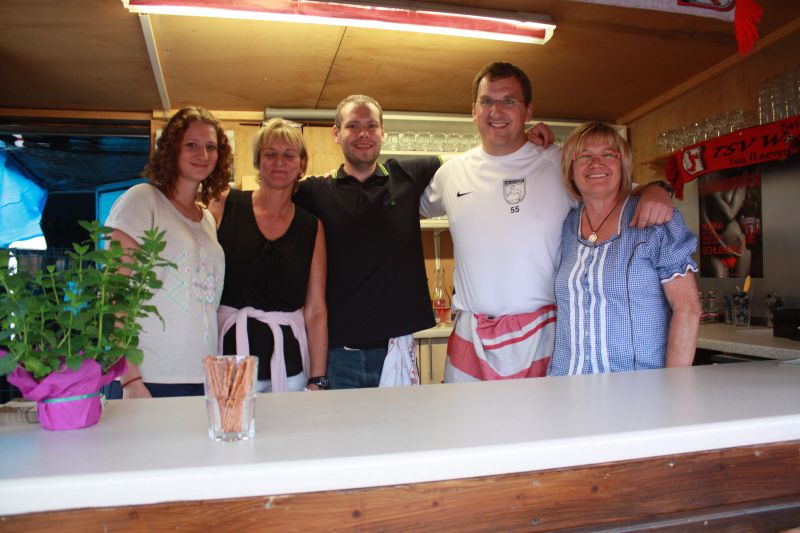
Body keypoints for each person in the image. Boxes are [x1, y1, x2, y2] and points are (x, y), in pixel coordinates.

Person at [420, 62, 675, 383]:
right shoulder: (450, 174)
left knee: (546, 416)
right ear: (473, 111)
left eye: (508, 101)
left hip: (545, 335)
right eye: (486, 101)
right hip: (472, 337)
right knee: (466, 418)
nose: (496, 110)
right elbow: (404, 210)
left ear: (528, 111)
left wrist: (656, 188)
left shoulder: (558, 162)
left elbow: (618, 190)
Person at [548, 122, 700, 375]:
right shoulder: (565, 225)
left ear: (624, 165)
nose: (596, 163)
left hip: (637, 388)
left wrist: (675, 385)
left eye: (608, 155)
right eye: (584, 156)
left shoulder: (655, 221)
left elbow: (688, 308)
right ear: (570, 170)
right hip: (567, 383)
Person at [105, 106, 231, 398]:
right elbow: (113, 293)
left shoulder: (207, 220)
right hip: (148, 377)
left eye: (210, 147)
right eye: (192, 145)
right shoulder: (142, 200)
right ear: (172, 148)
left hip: (202, 376)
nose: (202, 154)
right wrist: (129, 379)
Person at [208, 118, 328, 392]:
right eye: (270, 154)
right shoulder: (225, 205)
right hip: (230, 361)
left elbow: (315, 310)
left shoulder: (311, 226)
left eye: (289, 155)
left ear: (301, 164)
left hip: (290, 367)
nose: (279, 162)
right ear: (257, 161)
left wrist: (317, 379)